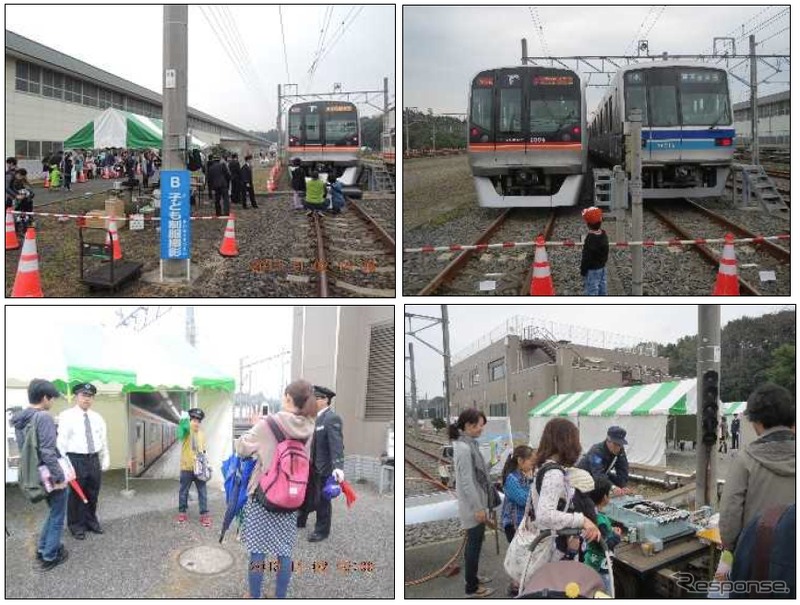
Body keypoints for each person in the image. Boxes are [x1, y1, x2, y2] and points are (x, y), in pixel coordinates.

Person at [236, 379, 317, 599]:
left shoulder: (268, 424)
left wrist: (255, 425)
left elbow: (242, 448)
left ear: (288, 398)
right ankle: (279, 596)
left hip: (264, 497)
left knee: (258, 550)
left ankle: (254, 596)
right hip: (291, 498)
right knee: (284, 551)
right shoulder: (309, 428)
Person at [522, 418, 601, 586]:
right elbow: (545, 515)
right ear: (567, 442)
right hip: (550, 550)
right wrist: (582, 520)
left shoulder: (543, 466)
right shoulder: (554, 473)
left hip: (543, 542)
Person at [719, 383, 795, 551]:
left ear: (757, 421)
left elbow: (729, 514)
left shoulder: (745, 459)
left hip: (757, 555)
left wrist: (732, 548)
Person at [12, 379, 70, 570]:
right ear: (44, 397)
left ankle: (43, 547)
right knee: (58, 515)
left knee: (53, 512)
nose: (52, 402)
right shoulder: (43, 417)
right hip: (50, 475)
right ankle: (49, 556)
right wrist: (60, 477)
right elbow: (47, 452)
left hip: (36, 475)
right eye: (51, 398)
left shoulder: (20, 418)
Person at [449, 408, 496, 598]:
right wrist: (478, 509)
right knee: (473, 547)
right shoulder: (464, 448)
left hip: (476, 504)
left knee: (475, 544)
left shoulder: (468, 444)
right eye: (479, 425)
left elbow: (477, 474)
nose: (481, 429)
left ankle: (474, 577)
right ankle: (472, 587)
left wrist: (493, 462)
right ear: (468, 425)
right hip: (472, 507)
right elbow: (467, 482)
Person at [56, 383, 109, 540]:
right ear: (76, 396)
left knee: (93, 492)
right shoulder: (66, 415)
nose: (87, 399)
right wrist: (65, 466)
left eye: (90, 396)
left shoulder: (97, 417)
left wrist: (105, 458)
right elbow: (61, 443)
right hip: (75, 459)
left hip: (93, 459)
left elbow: (103, 439)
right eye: (83, 395)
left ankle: (91, 521)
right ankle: (76, 525)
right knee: (76, 495)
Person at [296, 385, 344, 542]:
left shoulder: (331, 418)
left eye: (316, 399)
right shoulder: (314, 418)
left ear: (325, 400)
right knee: (307, 495)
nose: (313, 401)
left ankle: (322, 530)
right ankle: (301, 519)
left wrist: (338, 467)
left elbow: (337, 445)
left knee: (324, 500)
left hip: (325, 468)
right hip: (311, 465)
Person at [500, 445, 535, 596]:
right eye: (531, 461)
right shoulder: (511, 479)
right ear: (520, 461)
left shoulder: (525, 475)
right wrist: (533, 486)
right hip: (513, 524)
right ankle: (515, 587)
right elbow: (524, 500)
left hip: (522, 523)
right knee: (518, 555)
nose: (533, 464)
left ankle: (521, 584)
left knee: (523, 554)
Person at [585, 476, 623, 595]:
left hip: (591, 562)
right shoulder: (600, 519)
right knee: (605, 593)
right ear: (605, 497)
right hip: (600, 567)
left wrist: (610, 529)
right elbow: (604, 543)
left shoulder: (592, 514)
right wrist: (616, 536)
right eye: (609, 493)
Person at [177, 408, 212, 527]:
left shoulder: (202, 434)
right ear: (190, 421)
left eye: (198, 421)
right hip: (186, 467)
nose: (196, 423)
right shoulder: (186, 431)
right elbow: (180, 433)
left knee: (203, 492)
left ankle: (204, 514)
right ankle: (182, 512)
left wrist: (207, 464)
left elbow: (203, 450)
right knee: (183, 491)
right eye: (194, 420)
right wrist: (184, 421)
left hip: (199, 469)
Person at [576, 426, 630, 490]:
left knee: (614, 481)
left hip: (602, 474)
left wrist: (623, 486)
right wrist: (613, 487)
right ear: (608, 440)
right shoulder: (596, 451)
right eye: (615, 444)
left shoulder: (620, 450)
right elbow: (598, 474)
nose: (618, 448)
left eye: (620, 444)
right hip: (583, 478)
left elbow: (623, 469)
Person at [580, 206, 609, 296]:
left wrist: (583, 270)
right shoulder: (603, 234)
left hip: (592, 269)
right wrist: (603, 263)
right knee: (602, 286)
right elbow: (606, 251)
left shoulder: (590, 239)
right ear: (601, 221)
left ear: (587, 224)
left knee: (592, 289)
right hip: (602, 268)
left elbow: (586, 257)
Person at [9, 169, 35, 235]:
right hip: (18, 200)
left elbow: (26, 188)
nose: (22, 178)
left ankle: (27, 224)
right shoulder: (12, 179)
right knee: (18, 214)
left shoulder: (21, 180)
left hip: (24, 200)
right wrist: (17, 195)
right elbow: (10, 188)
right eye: (22, 176)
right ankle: (18, 228)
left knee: (26, 211)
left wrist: (29, 193)